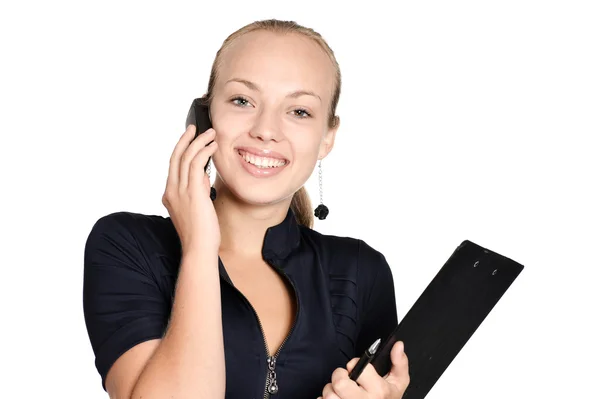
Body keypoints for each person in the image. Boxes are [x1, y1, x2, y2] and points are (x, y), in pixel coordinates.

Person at [83, 19, 410, 399]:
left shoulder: (361, 271)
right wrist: (200, 246)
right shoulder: (128, 245)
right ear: (203, 118)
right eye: (242, 101)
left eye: (299, 111)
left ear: (328, 137)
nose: (266, 129)